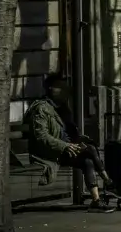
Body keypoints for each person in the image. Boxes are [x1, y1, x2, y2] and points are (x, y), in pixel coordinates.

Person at [26, 74, 115, 212]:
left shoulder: (63, 108)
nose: (63, 91)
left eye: (64, 88)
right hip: (51, 152)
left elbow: (70, 132)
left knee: (87, 160)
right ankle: (108, 181)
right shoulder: (41, 108)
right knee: (90, 150)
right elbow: (41, 136)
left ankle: (96, 201)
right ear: (50, 89)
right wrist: (65, 146)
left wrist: (80, 139)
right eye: (59, 87)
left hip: (66, 149)